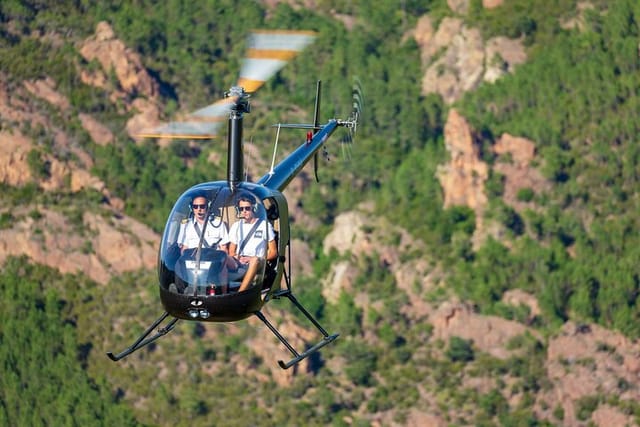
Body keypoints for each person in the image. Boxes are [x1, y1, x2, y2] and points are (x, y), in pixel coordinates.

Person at [228, 195, 277, 292]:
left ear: (253, 208)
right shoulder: (236, 226)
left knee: (254, 260)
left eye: (247, 208)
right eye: (241, 209)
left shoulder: (264, 225)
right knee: (222, 256)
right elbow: (231, 252)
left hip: (258, 260)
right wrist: (237, 257)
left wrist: (255, 258)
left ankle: (240, 293)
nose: (244, 211)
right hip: (240, 260)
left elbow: (273, 252)